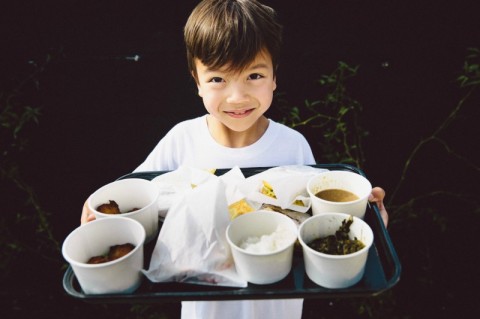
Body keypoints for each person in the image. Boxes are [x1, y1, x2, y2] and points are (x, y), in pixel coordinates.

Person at [81, 0, 388, 318]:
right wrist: (98, 213)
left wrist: (368, 222)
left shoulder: (293, 145)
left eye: (254, 75)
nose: (237, 97)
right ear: (196, 81)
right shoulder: (181, 141)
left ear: (274, 77)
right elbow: (131, 201)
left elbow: (318, 226)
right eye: (217, 79)